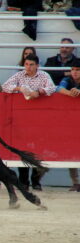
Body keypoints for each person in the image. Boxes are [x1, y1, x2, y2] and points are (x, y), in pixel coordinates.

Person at [3, 54, 56, 190]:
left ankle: (36, 181)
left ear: (37, 65)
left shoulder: (43, 75)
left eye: (31, 65)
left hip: (41, 120)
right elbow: (5, 86)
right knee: (23, 150)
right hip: (23, 120)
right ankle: (24, 181)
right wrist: (19, 88)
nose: (28, 67)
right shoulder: (20, 75)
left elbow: (52, 88)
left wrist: (39, 91)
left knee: (38, 150)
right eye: (26, 64)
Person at [56, 59, 80, 191]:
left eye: (78, 70)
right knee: (72, 149)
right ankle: (76, 182)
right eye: (73, 70)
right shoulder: (68, 80)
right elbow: (58, 88)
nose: (75, 73)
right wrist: (70, 93)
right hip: (71, 121)